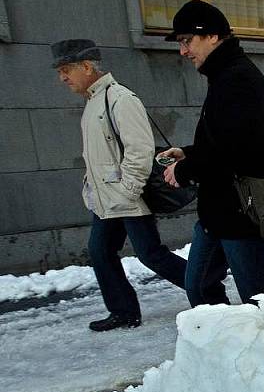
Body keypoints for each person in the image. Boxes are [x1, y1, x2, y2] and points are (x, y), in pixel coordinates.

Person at [51, 39, 187, 331]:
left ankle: (206, 287)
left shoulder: (120, 99)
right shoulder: (93, 102)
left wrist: (127, 191)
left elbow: (139, 150)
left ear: (86, 66)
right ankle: (123, 312)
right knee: (100, 252)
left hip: (127, 198)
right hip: (105, 201)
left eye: (65, 70)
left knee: (151, 255)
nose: (62, 78)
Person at [160, 0, 264, 307]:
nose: (183, 51)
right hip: (219, 211)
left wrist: (185, 170)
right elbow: (225, 139)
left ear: (213, 36)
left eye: (187, 41)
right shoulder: (225, 75)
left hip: (242, 212)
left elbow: (234, 152)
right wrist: (187, 154)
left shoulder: (237, 79)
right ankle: (222, 343)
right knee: (199, 286)